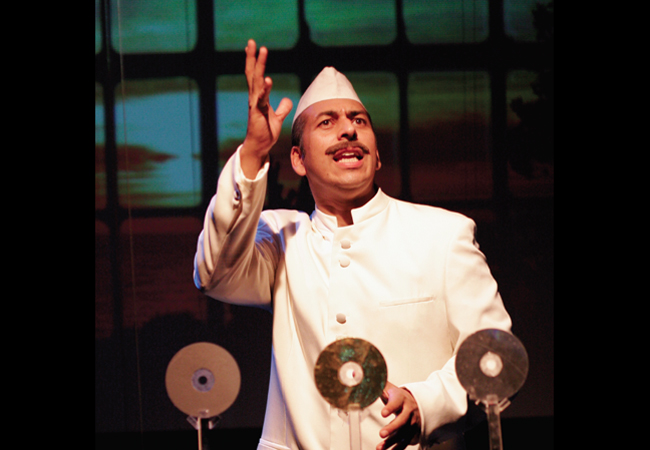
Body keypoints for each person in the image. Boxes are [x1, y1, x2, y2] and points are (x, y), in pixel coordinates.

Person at [194, 40, 512, 450]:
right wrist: (253, 153)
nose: (348, 130)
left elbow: (494, 355)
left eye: (359, 120)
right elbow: (213, 273)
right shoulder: (280, 239)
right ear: (298, 160)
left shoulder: (442, 234)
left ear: (376, 156)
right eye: (327, 122)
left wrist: (426, 402)